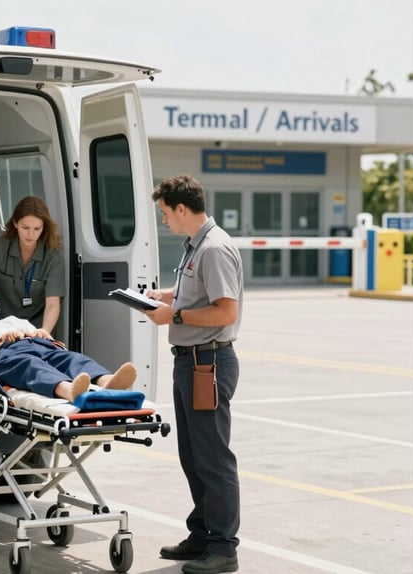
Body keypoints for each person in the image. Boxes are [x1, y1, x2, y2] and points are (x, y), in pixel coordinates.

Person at [143, 174, 243, 574]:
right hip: (190, 360)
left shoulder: (215, 248)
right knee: (193, 456)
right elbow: (199, 293)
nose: (165, 220)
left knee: (213, 458)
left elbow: (225, 310)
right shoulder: (195, 246)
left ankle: (223, 547)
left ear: (181, 209)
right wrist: (166, 296)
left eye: (165, 213)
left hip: (208, 363)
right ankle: (202, 535)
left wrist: (176, 314)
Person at [0, 290, 137, 401]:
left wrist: (43, 333)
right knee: (30, 366)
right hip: (3, 354)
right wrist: (2, 339)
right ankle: (68, 390)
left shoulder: (13, 320)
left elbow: (37, 333)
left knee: (69, 358)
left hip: (37, 344)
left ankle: (107, 381)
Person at [0, 196, 64, 335]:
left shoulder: (53, 256)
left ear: (44, 227)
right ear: (15, 223)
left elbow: (53, 303)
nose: (31, 234)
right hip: (1, 328)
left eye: (37, 228)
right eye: (25, 227)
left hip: (35, 329)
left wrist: (44, 331)